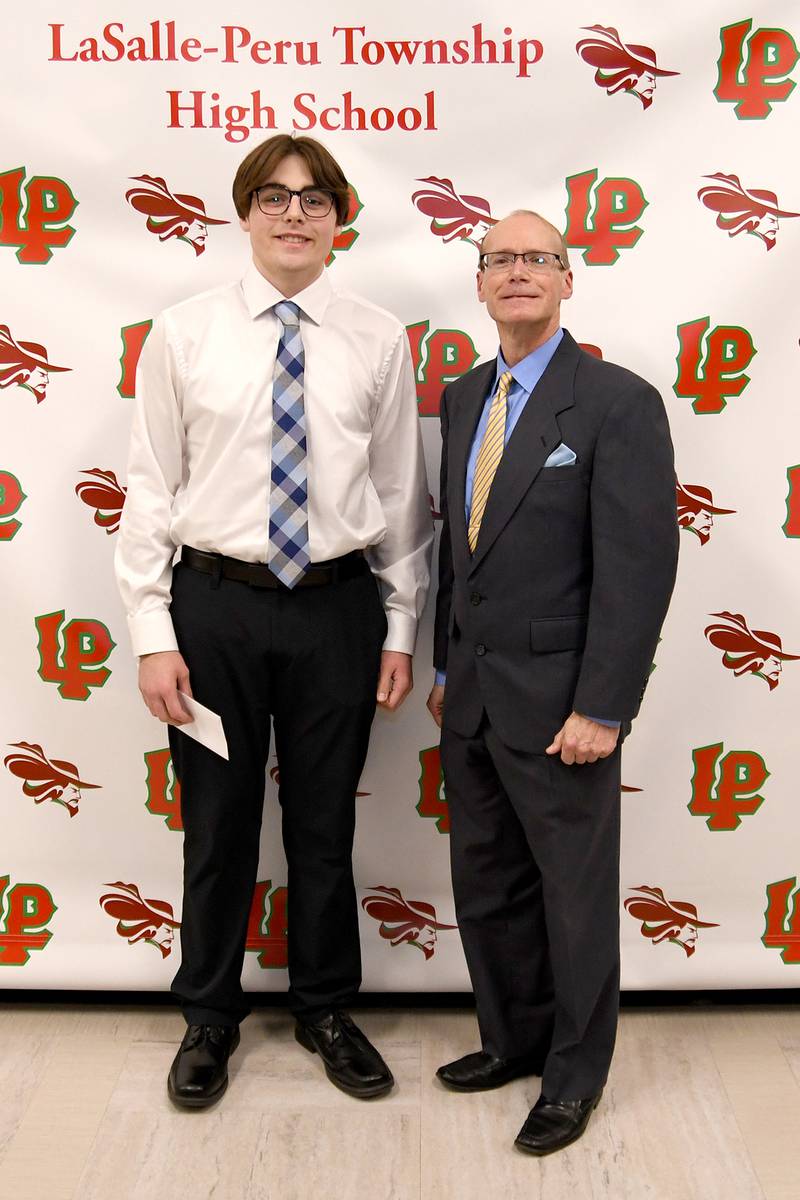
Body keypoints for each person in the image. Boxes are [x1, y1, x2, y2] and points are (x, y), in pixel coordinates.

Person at [115, 133, 432, 1108]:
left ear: (339, 217)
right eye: (273, 197)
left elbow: (396, 490)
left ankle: (325, 1007)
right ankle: (208, 1015)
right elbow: (149, 486)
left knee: (323, 825)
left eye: (313, 199)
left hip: (334, 610)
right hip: (214, 608)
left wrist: (397, 627)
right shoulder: (184, 332)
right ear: (243, 212)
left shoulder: (378, 337)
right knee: (216, 826)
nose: (293, 214)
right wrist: (154, 633)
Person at [426, 210, 678, 1155]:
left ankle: (574, 1077)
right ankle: (513, 1039)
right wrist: (448, 664)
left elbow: (638, 566)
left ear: (569, 279)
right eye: (501, 260)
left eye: (539, 258)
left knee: (573, 897)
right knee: (486, 883)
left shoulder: (617, 401)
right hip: (477, 699)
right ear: (480, 284)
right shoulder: (460, 396)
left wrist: (603, 705)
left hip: (566, 704)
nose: (518, 273)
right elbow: (462, 543)